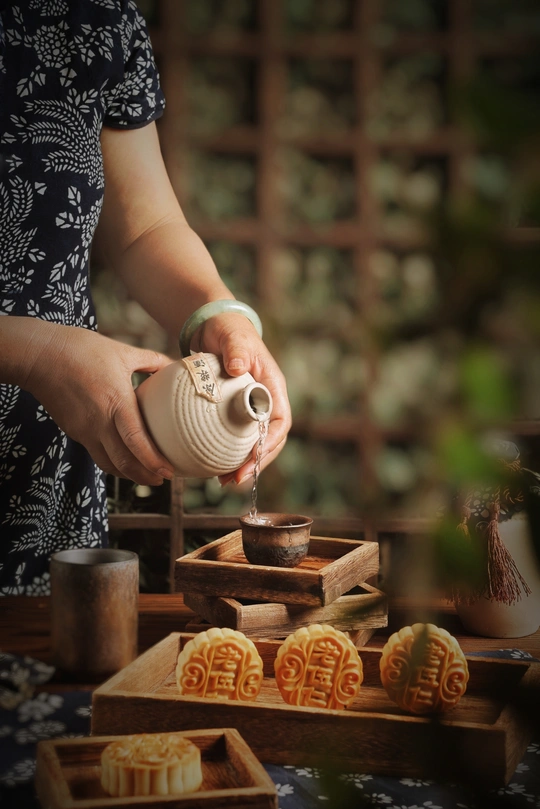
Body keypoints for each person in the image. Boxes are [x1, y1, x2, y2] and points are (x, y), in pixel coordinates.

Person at [0, 0, 291, 595]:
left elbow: (143, 227)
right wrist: (33, 355)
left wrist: (219, 311)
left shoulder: (98, 15)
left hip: (46, 468)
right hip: (63, 388)